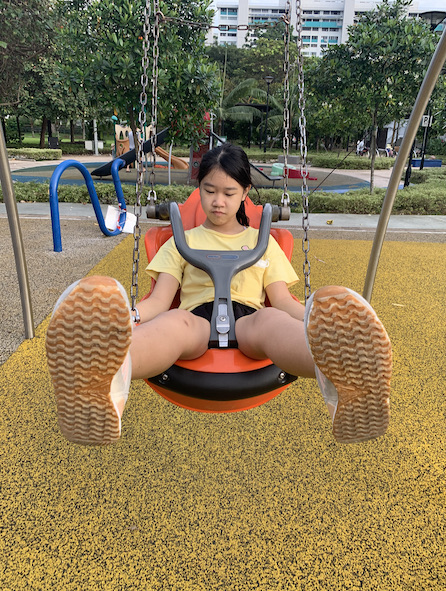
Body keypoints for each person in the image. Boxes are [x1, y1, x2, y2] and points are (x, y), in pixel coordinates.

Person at [46, 143, 392, 447]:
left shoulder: (263, 241)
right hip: (195, 320)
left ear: (245, 193)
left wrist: (317, 320)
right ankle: (101, 377)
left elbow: (284, 302)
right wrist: (128, 317)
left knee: (272, 320)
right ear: (199, 189)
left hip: (250, 321)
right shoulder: (181, 241)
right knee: (174, 322)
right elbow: (159, 302)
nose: (218, 201)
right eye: (209, 190)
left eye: (228, 193)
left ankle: (343, 372)